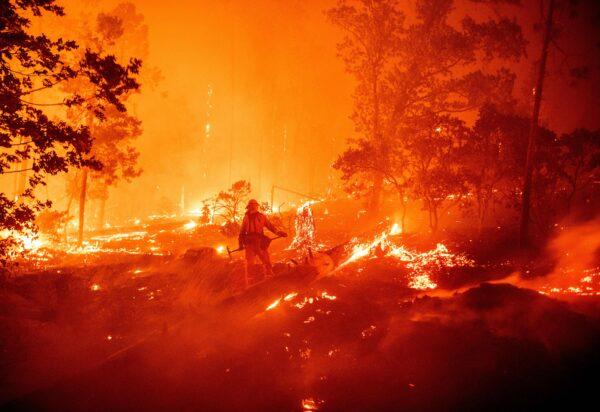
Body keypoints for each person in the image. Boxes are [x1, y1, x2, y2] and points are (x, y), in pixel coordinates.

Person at [238, 199, 287, 287]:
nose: (253, 207)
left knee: (266, 260)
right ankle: (250, 283)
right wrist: (240, 244)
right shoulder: (245, 218)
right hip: (249, 243)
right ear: (248, 207)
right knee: (250, 263)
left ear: (257, 206)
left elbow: (270, 226)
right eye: (251, 206)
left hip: (260, 242)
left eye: (254, 206)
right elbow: (242, 232)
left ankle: (271, 277)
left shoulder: (261, 217)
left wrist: (279, 232)